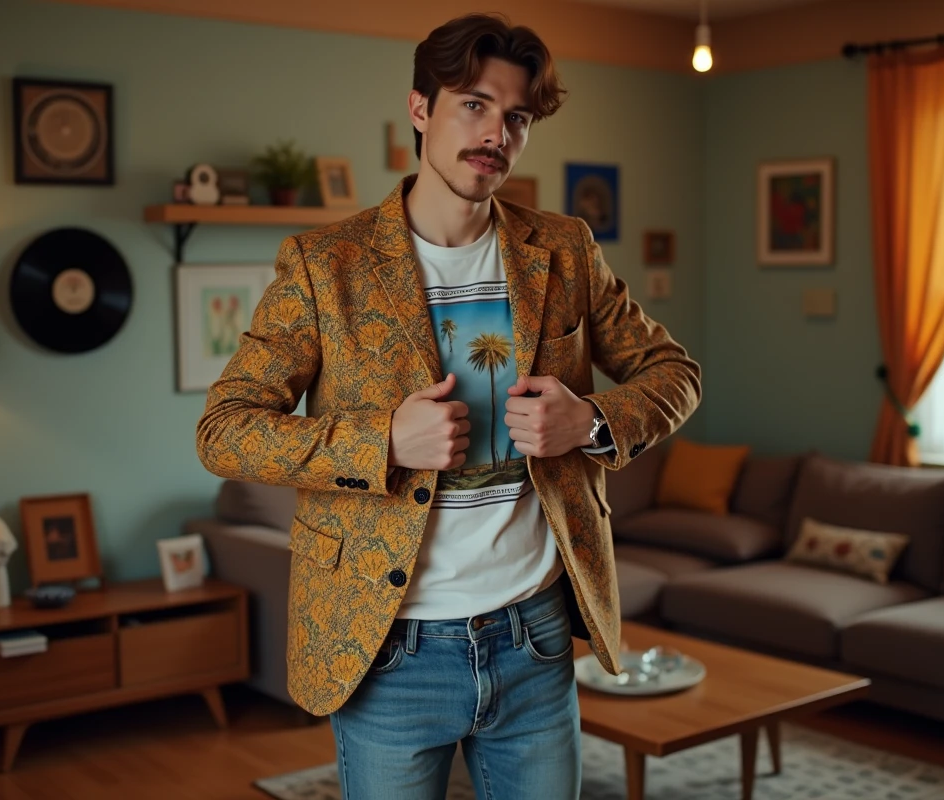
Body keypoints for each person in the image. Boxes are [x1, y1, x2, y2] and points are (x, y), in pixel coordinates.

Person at [195, 12, 701, 799]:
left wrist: (591, 420)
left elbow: (674, 372)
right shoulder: (325, 265)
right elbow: (225, 431)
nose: (496, 133)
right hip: (389, 647)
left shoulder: (565, 249)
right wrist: (384, 442)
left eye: (517, 117)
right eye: (473, 104)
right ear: (420, 108)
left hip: (535, 636)